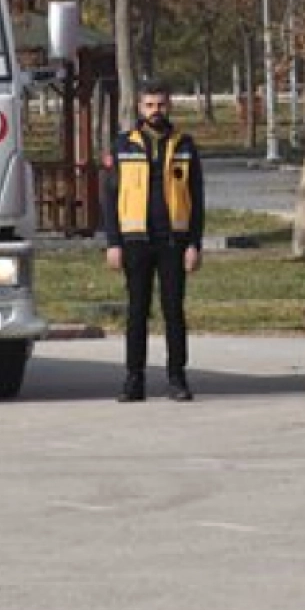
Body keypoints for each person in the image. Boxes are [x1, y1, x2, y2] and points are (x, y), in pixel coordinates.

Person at [102, 79, 205, 403]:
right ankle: (134, 379)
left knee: (173, 311)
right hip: (135, 242)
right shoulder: (122, 146)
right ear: (139, 108)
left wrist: (194, 244)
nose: (155, 111)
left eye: (160, 104)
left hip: (173, 242)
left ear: (169, 105)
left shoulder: (185, 145)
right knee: (137, 311)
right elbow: (110, 199)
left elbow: (197, 198)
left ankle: (177, 378)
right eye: (149, 105)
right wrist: (113, 242)